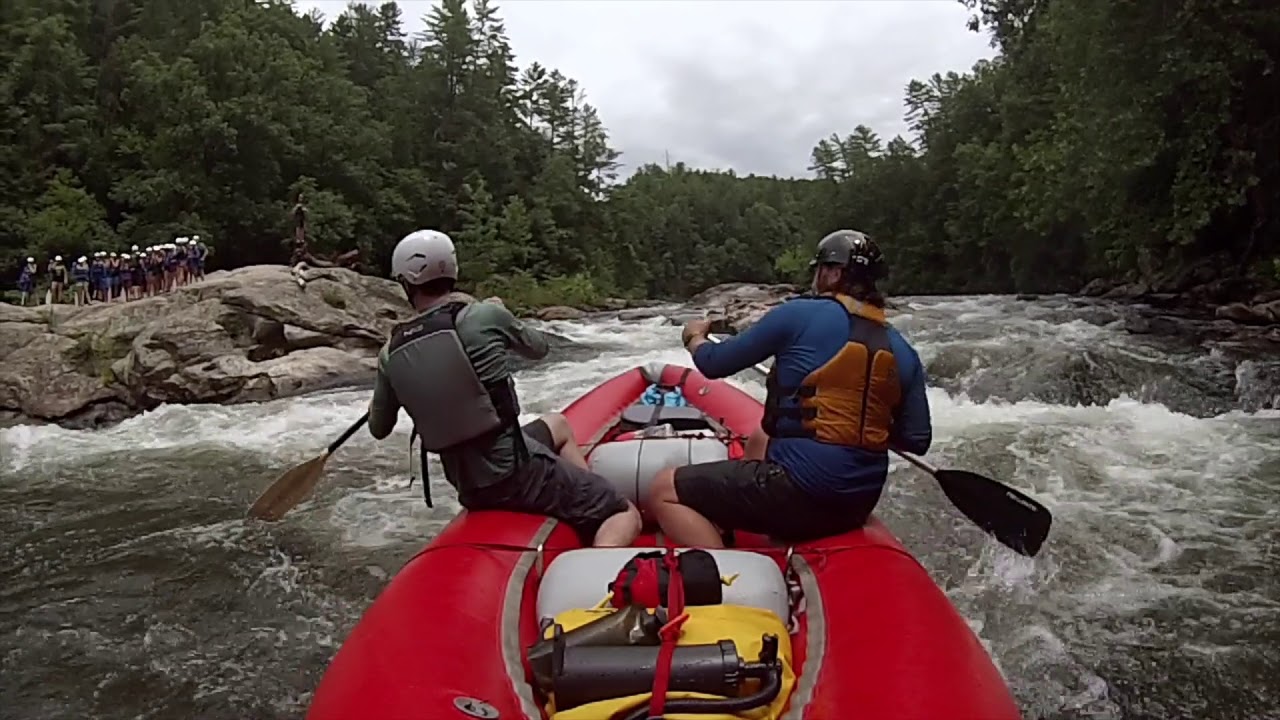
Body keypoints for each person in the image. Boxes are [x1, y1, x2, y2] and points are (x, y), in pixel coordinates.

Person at [646, 229, 933, 547]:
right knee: (761, 436)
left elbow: (715, 364)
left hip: (802, 496)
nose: (816, 276)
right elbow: (917, 440)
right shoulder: (903, 350)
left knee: (662, 489)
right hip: (857, 503)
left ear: (834, 273)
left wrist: (694, 337)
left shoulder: (798, 314)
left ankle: (730, 577)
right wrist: (858, 421)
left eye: (820, 269)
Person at [366, 229, 641, 547]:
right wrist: (501, 314)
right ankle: (594, 567)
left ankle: (585, 498)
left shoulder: (391, 354)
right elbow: (539, 348)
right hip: (516, 476)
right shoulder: (485, 315)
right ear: (452, 271)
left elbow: (378, 429)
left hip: (468, 486)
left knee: (558, 423)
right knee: (625, 514)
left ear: (405, 282)